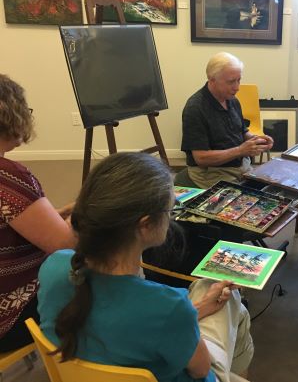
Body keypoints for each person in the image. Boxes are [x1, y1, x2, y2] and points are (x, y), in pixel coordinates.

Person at [37, 152, 254, 382]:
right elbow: (201, 371)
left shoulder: (54, 266)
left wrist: (195, 311)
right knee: (228, 299)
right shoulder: (170, 306)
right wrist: (188, 315)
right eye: (170, 209)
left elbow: (132, 320)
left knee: (214, 297)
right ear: (146, 224)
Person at [0, 74, 76, 353]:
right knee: (95, 266)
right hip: (10, 317)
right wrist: (86, 214)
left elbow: (13, 226)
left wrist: (62, 212)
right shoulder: (10, 178)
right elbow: (65, 245)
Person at [181, 52, 273, 189]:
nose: (237, 87)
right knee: (246, 205)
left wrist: (257, 140)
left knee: (273, 188)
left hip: (240, 166)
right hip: (212, 173)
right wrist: (240, 151)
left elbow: (242, 132)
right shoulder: (195, 108)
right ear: (212, 80)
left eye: (238, 80)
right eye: (231, 81)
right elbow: (201, 158)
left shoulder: (232, 100)